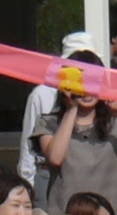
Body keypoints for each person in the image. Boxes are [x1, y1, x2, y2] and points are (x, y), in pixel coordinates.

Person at [34, 52, 117, 215]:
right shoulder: (49, 122)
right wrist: (71, 110)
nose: (87, 91)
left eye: (93, 82)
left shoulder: (114, 121)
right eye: (80, 83)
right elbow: (55, 158)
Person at [17, 31, 92, 198]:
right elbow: (28, 148)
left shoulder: (97, 97)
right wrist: (27, 187)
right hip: (48, 175)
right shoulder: (41, 94)